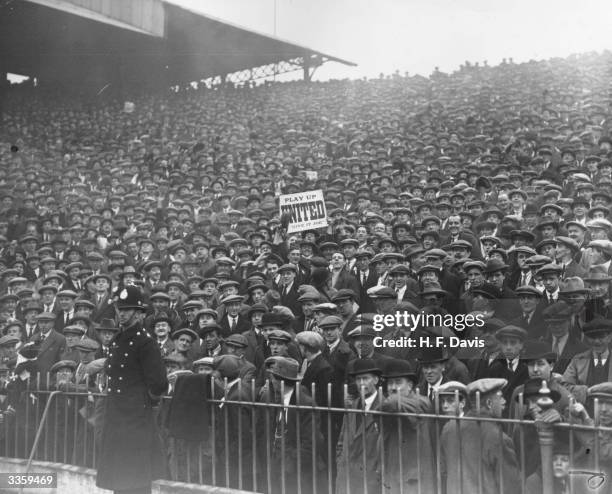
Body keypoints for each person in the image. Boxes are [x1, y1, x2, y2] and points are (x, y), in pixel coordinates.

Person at [96, 285, 168, 494]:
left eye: (128, 309)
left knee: (135, 480)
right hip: (116, 417)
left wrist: (143, 402)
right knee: (119, 480)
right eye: (120, 309)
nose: (122, 313)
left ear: (138, 313)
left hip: (136, 419)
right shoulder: (118, 340)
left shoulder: (146, 343)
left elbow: (159, 383)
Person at [441, 378, 520, 494]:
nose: (504, 401)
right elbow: (511, 487)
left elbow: (443, 471)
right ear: (489, 403)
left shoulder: (449, 428)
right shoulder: (498, 438)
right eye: (500, 397)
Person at [380, 359, 435, 493]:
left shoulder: (420, 402)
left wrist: (388, 401)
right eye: (390, 383)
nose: (393, 387)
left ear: (410, 385)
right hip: (393, 476)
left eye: (398, 382)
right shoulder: (390, 407)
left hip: (414, 481)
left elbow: (392, 403)